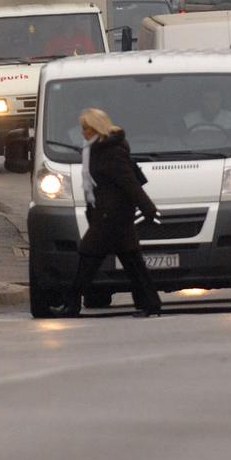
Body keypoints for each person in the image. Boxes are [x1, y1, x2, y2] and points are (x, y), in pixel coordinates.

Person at [59, 108, 163, 318]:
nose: (83, 133)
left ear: (97, 127)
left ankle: (72, 305)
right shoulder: (94, 149)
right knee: (131, 261)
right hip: (107, 214)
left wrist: (148, 209)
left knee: (88, 257)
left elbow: (129, 183)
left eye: (86, 128)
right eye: (83, 128)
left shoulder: (110, 151)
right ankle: (150, 303)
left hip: (112, 216)